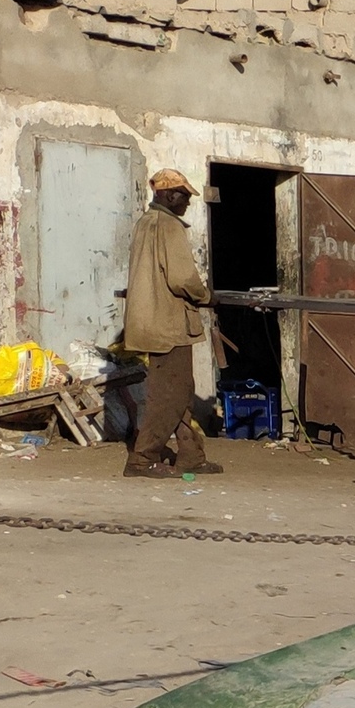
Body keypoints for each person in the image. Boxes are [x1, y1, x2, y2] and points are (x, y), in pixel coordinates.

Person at [121, 168, 221, 477]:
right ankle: (142, 458)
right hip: (169, 325)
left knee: (178, 390)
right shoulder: (169, 227)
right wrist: (206, 296)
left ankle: (191, 455)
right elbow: (182, 279)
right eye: (184, 197)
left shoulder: (144, 224)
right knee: (171, 395)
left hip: (149, 323)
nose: (187, 203)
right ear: (169, 195)